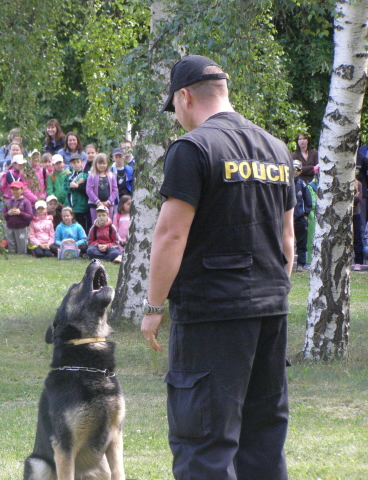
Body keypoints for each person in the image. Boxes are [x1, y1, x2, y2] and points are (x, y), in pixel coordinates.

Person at [141, 55, 295, 480]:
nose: (177, 121)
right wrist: (267, 294)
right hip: (270, 311)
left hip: (212, 314)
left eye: (175, 110)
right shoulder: (277, 149)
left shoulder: (193, 149)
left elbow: (171, 236)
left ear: (185, 97)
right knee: (262, 442)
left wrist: (153, 308)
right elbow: (287, 241)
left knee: (205, 441)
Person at [86, 153, 118, 222]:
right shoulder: (92, 176)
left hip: (108, 205)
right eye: (100, 163)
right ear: (95, 164)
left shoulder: (111, 175)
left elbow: (115, 190)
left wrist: (109, 201)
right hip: (94, 205)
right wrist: (97, 201)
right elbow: (89, 190)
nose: (102, 165)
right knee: (96, 223)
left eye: (104, 163)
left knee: (108, 223)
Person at [3, 181, 33, 254]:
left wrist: (20, 213)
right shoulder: (8, 202)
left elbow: (30, 216)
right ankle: (12, 258)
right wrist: (8, 213)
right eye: (13, 189)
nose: (15, 191)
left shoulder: (26, 202)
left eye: (17, 189)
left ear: (22, 190)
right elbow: (3, 216)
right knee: (11, 246)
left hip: (21, 227)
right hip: (10, 227)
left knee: (21, 248)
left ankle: (21, 259)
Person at [293, 160, 312, 272]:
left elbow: (308, 200)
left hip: (300, 217)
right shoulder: (285, 183)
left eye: (297, 170)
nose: (295, 172)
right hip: (287, 218)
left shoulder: (302, 184)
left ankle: (301, 263)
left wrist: (305, 214)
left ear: (300, 171)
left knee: (302, 242)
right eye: (293, 169)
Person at [64, 153, 90, 233]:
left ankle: (82, 242)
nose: (76, 164)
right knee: (71, 226)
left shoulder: (85, 175)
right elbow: (65, 188)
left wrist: (76, 185)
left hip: (82, 205)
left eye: (78, 162)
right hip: (71, 205)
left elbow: (86, 189)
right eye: (74, 162)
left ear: (82, 162)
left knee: (81, 226)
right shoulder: (68, 176)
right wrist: (75, 184)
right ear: (71, 164)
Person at [353, 172, 363, 270]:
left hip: (355, 214)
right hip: (343, 215)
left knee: (357, 237)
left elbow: (358, 199)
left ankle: (358, 261)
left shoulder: (358, 184)